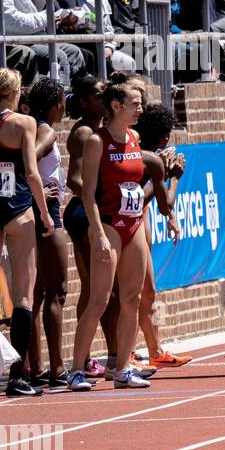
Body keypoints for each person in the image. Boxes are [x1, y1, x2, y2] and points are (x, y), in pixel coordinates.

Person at [67, 77, 173, 391]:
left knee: (132, 298)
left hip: (134, 222)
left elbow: (139, 182)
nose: (140, 108)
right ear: (116, 106)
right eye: (135, 103)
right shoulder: (96, 141)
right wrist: (97, 233)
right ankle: (76, 370)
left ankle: (122, 368)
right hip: (109, 223)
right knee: (99, 299)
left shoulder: (134, 137)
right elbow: (87, 193)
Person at [0, 68, 54, 397]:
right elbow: (32, 173)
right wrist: (45, 213)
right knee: (23, 295)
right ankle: (18, 377)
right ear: (15, 93)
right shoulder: (24, 124)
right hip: (18, 210)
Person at [134, 101, 191, 370]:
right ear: (165, 136)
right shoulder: (145, 156)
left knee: (148, 291)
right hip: (126, 224)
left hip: (137, 219)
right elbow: (157, 199)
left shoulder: (149, 155)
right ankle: (125, 352)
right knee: (131, 293)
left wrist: (171, 218)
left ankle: (154, 350)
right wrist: (173, 177)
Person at [62, 75, 110, 380]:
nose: (103, 99)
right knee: (94, 289)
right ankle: (86, 357)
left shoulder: (104, 130)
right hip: (83, 213)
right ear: (83, 102)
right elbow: (73, 180)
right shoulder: (83, 132)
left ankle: (114, 351)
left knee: (102, 289)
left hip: (97, 211)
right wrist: (100, 202)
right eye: (97, 95)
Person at [25, 77, 70, 388]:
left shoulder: (32, 127)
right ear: (57, 104)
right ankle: (57, 369)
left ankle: (38, 367)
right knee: (57, 291)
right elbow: (28, 161)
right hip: (47, 216)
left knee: (36, 294)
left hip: (37, 212)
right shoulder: (47, 130)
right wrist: (39, 194)